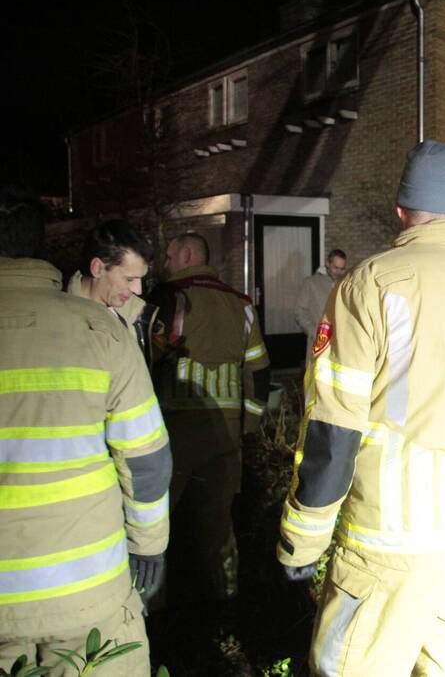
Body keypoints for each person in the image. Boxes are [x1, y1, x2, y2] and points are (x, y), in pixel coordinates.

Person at [276, 140, 445, 676]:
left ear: (401, 211)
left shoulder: (367, 286)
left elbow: (334, 430)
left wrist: (302, 542)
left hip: (391, 546)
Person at [0, 186, 172, 675]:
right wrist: (149, 547)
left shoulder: (119, 322)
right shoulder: (98, 330)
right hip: (87, 587)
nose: (139, 290)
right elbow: (145, 457)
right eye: (131, 277)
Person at [150, 232, 270, 608]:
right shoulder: (242, 304)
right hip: (226, 434)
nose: (165, 263)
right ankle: (226, 600)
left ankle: (153, 608)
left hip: (173, 432)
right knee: (218, 524)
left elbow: (143, 363)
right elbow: (260, 371)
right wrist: (248, 425)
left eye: (169, 255)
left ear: (186, 255)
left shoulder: (168, 299)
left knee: (156, 525)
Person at [66, 220, 162, 367]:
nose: (138, 290)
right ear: (97, 268)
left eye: (141, 279)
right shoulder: (57, 316)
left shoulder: (138, 317)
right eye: (129, 279)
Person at [295, 248, 347, 355]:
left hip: (341, 344)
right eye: (335, 268)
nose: (338, 272)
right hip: (319, 344)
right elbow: (300, 312)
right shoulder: (311, 283)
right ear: (328, 263)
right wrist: (315, 333)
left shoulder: (344, 284)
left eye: (342, 269)